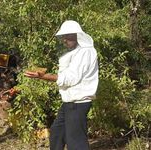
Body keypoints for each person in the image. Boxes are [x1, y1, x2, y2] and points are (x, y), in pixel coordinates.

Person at [24, 20, 99, 150]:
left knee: (75, 142)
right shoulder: (76, 52)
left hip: (78, 103)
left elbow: (70, 78)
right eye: (63, 37)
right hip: (69, 102)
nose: (65, 40)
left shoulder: (85, 52)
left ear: (77, 35)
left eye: (68, 36)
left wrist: (44, 77)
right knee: (57, 133)